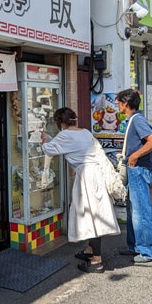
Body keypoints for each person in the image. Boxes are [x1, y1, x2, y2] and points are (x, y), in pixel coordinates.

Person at [41, 107, 120, 274]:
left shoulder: (65, 135)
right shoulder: (85, 132)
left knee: (92, 217)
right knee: (95, 212)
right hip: (96, 175)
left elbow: (49, 150)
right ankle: (90, 251)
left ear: (60, 122)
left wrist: (44, 140)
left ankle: (97, 262)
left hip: (86, 178)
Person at [116, 89, 152, 263]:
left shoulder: (137, 120)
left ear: (125, 103)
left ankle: (149, 252)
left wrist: (135, 155)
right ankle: (135, 247)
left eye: (119, 102)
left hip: (138, 168)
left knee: (140, 210)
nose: (118, 105)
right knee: (133, 210)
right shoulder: (137, 119)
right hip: (136, 169)